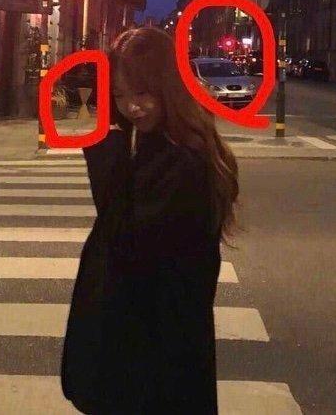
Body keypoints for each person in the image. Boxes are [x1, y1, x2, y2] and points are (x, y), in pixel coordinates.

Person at [61, 27, 239, 414]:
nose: (131, 107)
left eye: (142, 93)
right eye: (119, 95)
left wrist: (107, 159)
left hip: (153, 358)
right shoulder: (161, 142)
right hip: (153, 350)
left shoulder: (180, 159)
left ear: (167, 87)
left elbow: (128, 243)